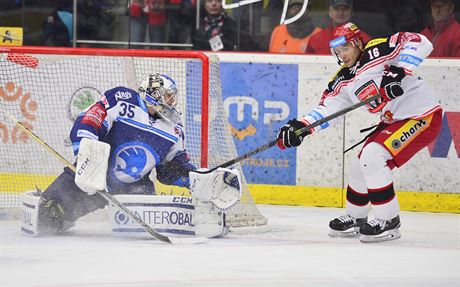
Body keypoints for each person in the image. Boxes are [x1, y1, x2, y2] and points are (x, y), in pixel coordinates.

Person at [277, 22, 442, 243]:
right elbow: (328, 109)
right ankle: (356, 217)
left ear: (356, 43)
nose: (341, 55)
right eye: (337, 51)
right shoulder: (342, 79)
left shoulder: (377, 51)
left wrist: (399, 71)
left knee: (372, 157)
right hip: (393, 121)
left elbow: (420, 41)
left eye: (345, 48)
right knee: (359, 166)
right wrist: (302, 127)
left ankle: (389, 220)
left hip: (422, 114)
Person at [23, 73, 241, 237]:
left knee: (143, 234)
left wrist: (195, 177)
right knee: (46, 221)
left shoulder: (174, 128)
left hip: (134, 187)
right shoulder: (122, 99)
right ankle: (55, 208)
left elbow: (169, 169)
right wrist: (86, 150)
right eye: (168, 96)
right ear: (154, 94)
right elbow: (91, 119)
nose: (172, 102)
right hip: (93, 173)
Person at [306, 0, 371, 55]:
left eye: (345, 9)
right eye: (336, 9)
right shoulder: (316, 39)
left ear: (351, 12)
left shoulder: (363, 38)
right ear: (330, 12)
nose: (341, 13)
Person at [192, 0, 259, 51]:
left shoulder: (234, 27)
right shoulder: (199, 30)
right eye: (209, 1)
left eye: (218, 1)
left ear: (223, 4)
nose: (214, 4)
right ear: (205, 5)